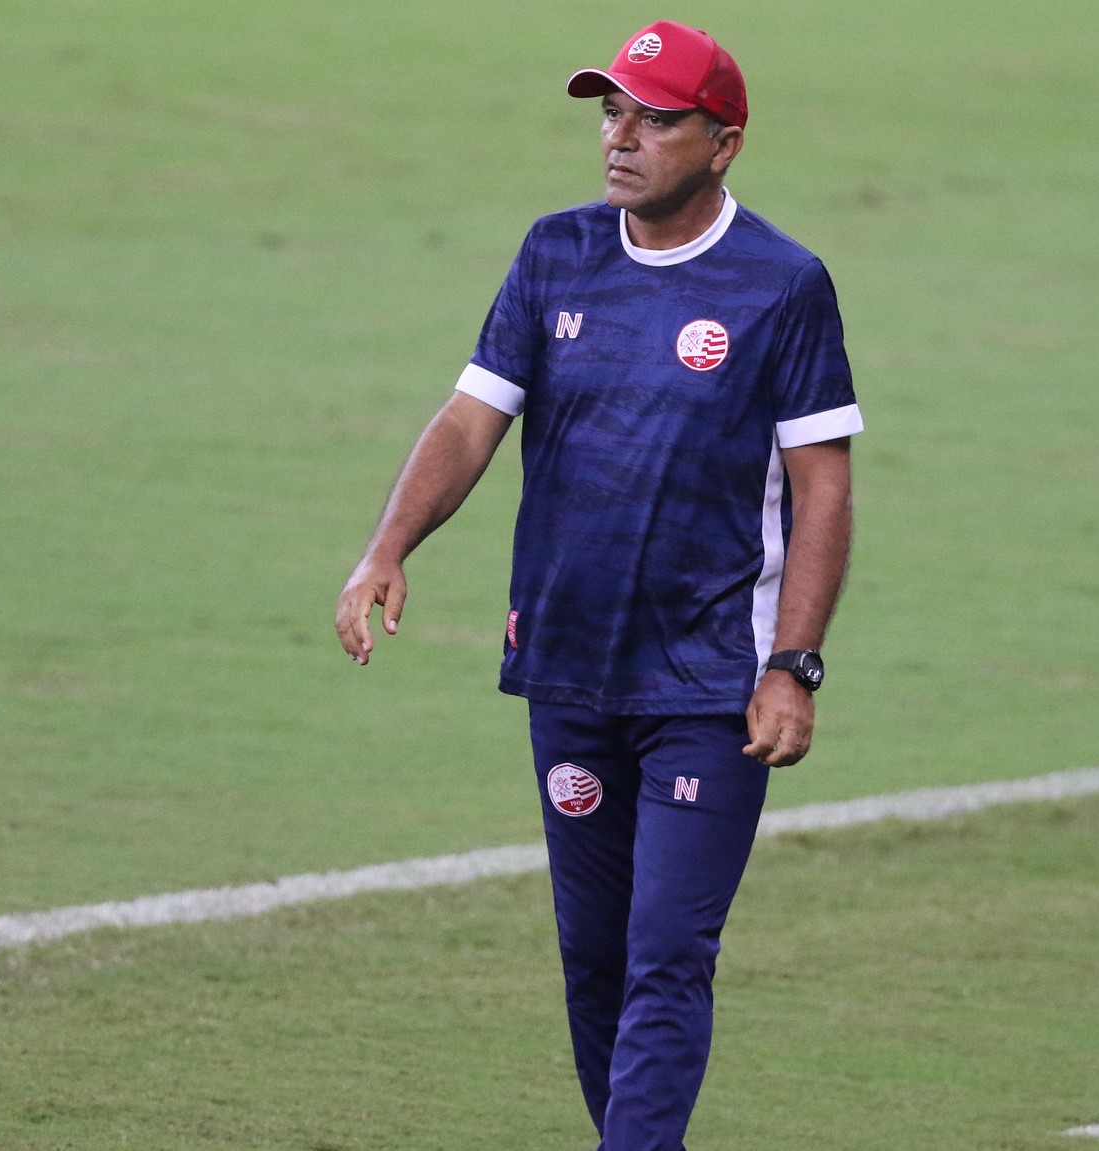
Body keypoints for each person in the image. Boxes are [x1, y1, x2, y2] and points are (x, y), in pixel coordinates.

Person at [334, 20, 860, 1150]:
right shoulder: (554, 253)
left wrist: (792, 664)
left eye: (654, 118)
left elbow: (822, 489)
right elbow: (473, 416)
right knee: (596, 957)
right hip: (569, 664)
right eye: (611, 112)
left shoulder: (782, 285)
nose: (621, 138)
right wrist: (389, 546)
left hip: (710, 679)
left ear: (722, 144)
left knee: (668, 948)